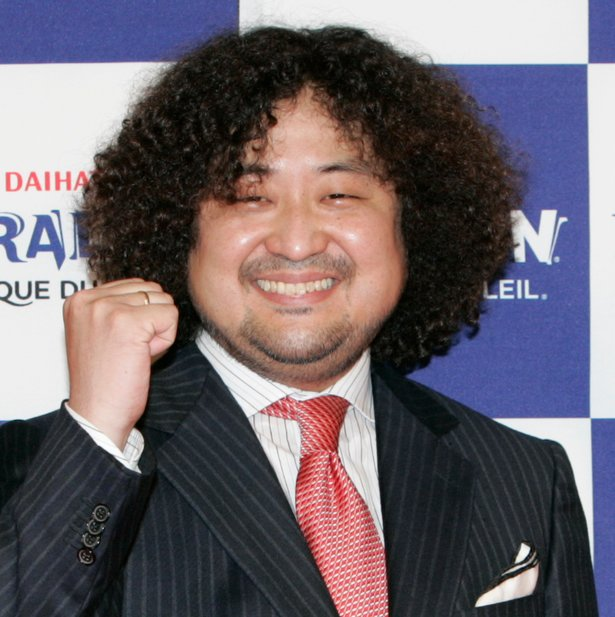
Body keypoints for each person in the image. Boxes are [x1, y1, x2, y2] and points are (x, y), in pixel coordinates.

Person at [0, 26, 597, 617]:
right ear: (181, 228)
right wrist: (99, 433)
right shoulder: (49, 466)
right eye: (250, 196)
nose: (296, 240)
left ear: (412, 225)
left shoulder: (520, 474)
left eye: (339, 195)